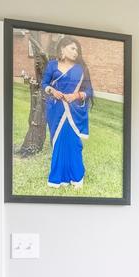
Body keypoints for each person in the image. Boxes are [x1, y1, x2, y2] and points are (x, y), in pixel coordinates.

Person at [42, 37, 93, 188]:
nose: (76, 52)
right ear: (62, 49)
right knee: (59, 142)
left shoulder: (81, 69)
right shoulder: (52, 65)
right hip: (55, 109)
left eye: (77, 49)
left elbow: (89, 90)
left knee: (74, 143)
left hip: (73, 110)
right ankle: (59, 178)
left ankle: (76, 177)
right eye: (72, 48)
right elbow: (44, 84)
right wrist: (52, 90)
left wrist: (76, 95)